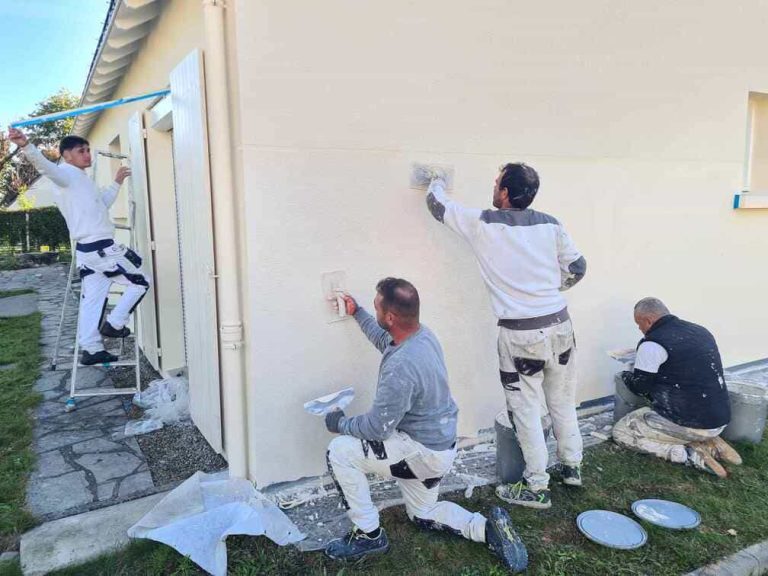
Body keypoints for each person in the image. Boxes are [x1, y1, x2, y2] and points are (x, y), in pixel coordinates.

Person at [324, 277, 527, 572]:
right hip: (439, 447)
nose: (374, 309)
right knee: (423, 512)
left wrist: (340, 423)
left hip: (420, 454)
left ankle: (368, 535)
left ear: (390, 317)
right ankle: (485, 529)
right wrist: (358, 312)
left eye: (377, 306)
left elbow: (377, 428)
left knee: (340, 451)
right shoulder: (422, 336)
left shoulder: (401, 368)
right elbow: (384, 340)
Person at [424, 163, 586, 509]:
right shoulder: (551, 224)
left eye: (496, 183)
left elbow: (437, 207)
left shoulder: (483, 223)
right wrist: (548, 290)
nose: (493, 188)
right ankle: (572, 467)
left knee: (525, 410)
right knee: (562, 400)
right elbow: (577, 268)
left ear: (506, 193)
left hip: (521, 336)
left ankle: (537, 486)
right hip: (560, 325)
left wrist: (435, 180)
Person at [7, 127, 149, 365]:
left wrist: (116, 182)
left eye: (88, 150)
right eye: (81, 151)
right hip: (100, 248)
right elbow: (45, 167)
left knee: (92, 301)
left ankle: (91, 349)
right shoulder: (65, 174)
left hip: (88, 252)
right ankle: (115, 324)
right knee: (142, 281)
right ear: (67, 155)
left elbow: (101, 204)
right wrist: (25, 145)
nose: (87, 154)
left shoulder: (82, 180)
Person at [612, 297, 741, 477]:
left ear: (648, 320)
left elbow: (640, 388)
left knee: (622, 431)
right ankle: (711, 441)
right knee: (691, 413)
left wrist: (627, 375)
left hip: (689, 423)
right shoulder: (700, 331)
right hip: (719, 419)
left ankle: (687, 454)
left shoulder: (653, 344)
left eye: (639, 324)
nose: (640, 329)